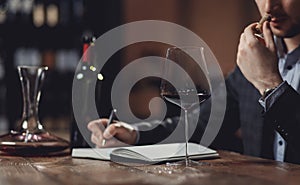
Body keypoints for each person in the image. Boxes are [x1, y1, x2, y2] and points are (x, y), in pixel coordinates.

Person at [88, 0, 300, 164]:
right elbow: (200, 125)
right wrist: (134, 133)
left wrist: (269, 83)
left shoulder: (259, 66)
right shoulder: (255, 57)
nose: (270, 6)